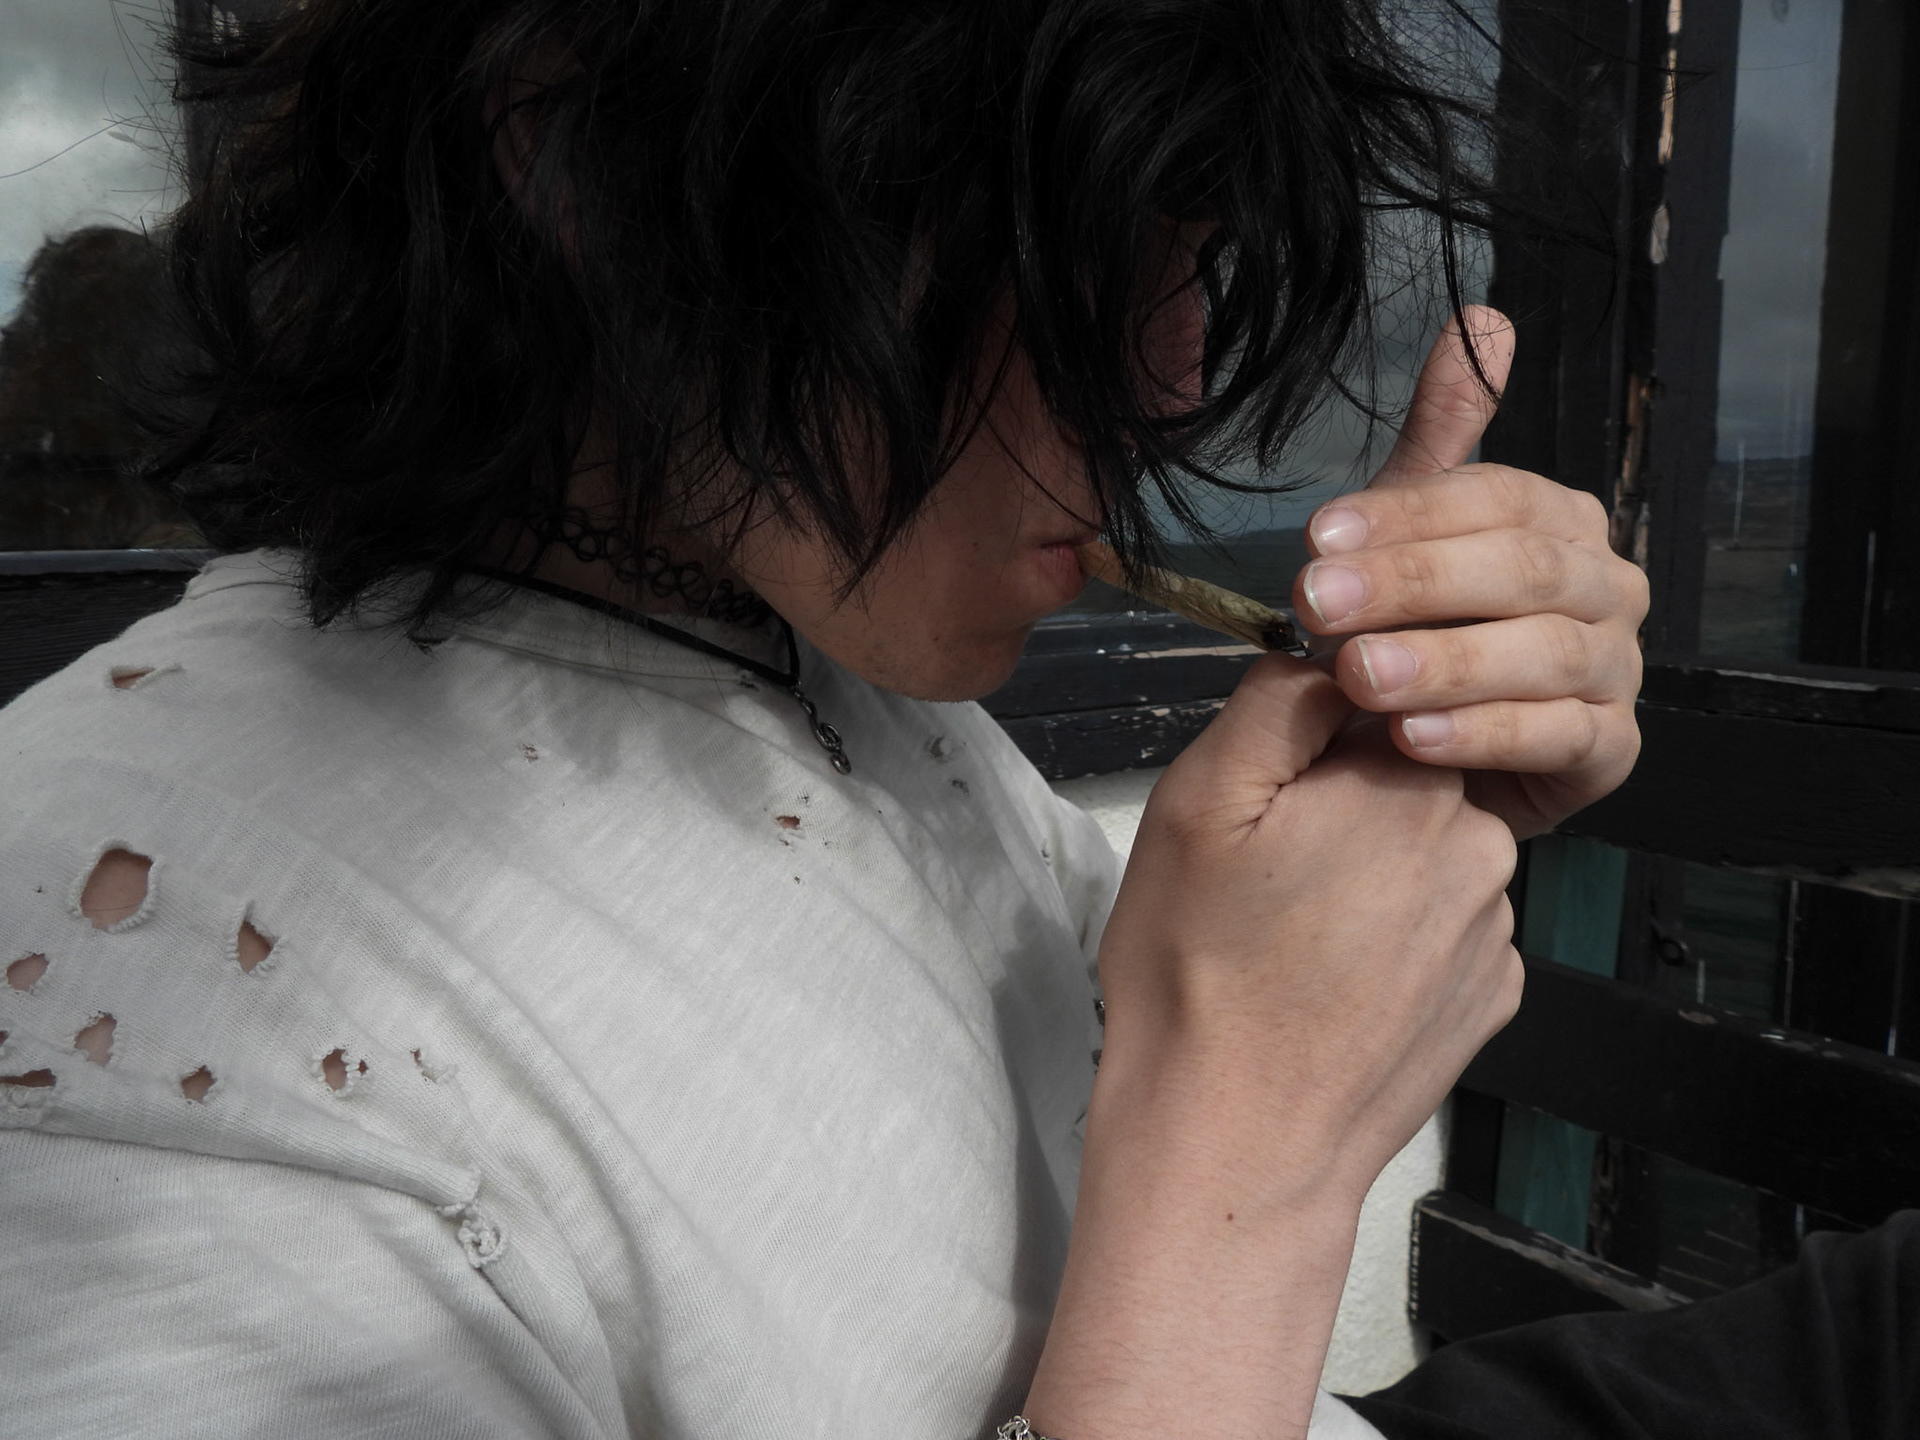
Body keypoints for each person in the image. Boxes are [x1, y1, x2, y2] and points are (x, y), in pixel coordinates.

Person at [1, 2, 1907, 1438]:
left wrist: (1399, 800)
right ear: (573, 141)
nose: (1174, 369)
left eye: (1200, 237)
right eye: (1081, 228)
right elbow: (1188, 1193)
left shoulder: (774, 639)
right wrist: (1252, 1168)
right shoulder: (156, 1092)